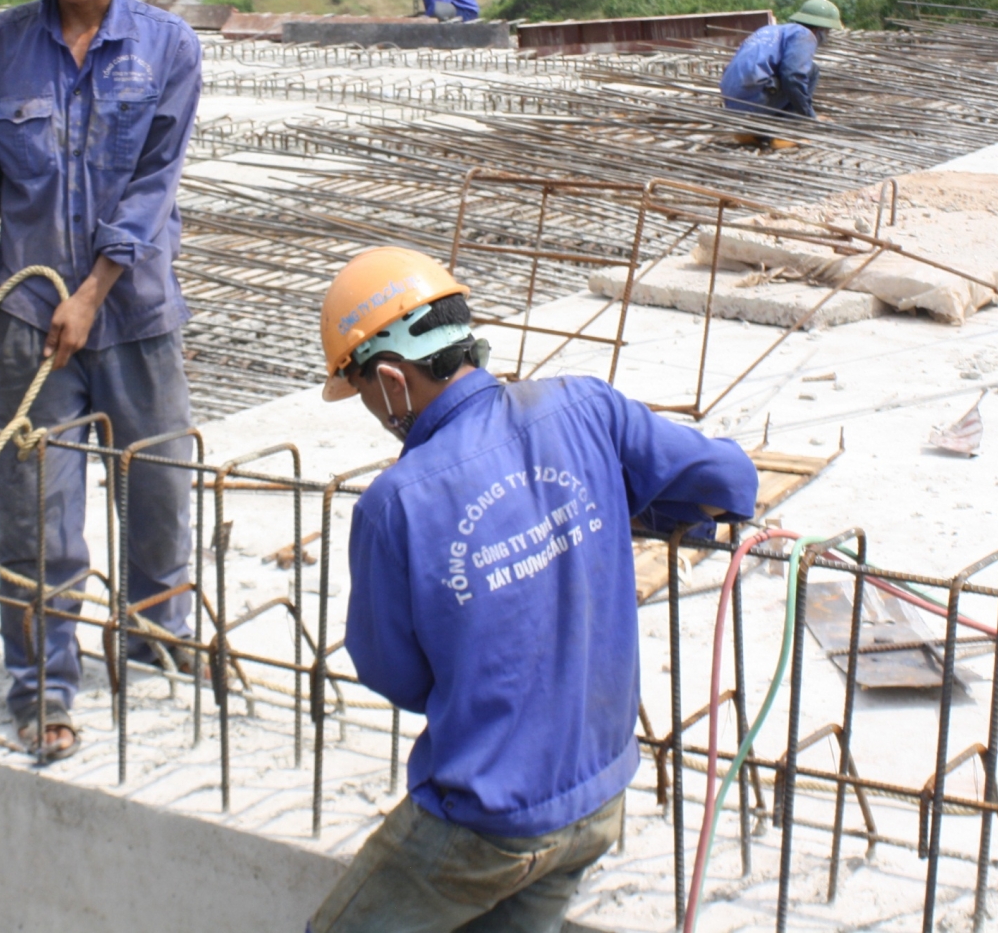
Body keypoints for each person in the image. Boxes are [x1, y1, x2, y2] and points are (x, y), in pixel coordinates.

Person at [307, 247, 757, 933]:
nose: (372, 410)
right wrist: (620, 506)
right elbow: (728, 482)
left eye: (363, 391)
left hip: (482, 827)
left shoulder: (395, 504)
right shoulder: (585, 408)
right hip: (598, 797)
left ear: (393, 379)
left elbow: (393, 673)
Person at [0, 0, 202, 760]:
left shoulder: (167, 49)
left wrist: (93, 290)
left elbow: (153, 187)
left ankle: (156, 642)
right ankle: (43, 686)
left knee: (158, 492)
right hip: (30, 326)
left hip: (135, 317)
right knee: (39, 511)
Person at [720, 0, 840, 124]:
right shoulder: (804, 35)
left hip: (732, 102)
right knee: (812, 70)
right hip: (754, 103)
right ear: (819, 29)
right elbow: (793, 76)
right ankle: (796, 118)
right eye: (827, 31)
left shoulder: (769, 30)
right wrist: (809, 115)